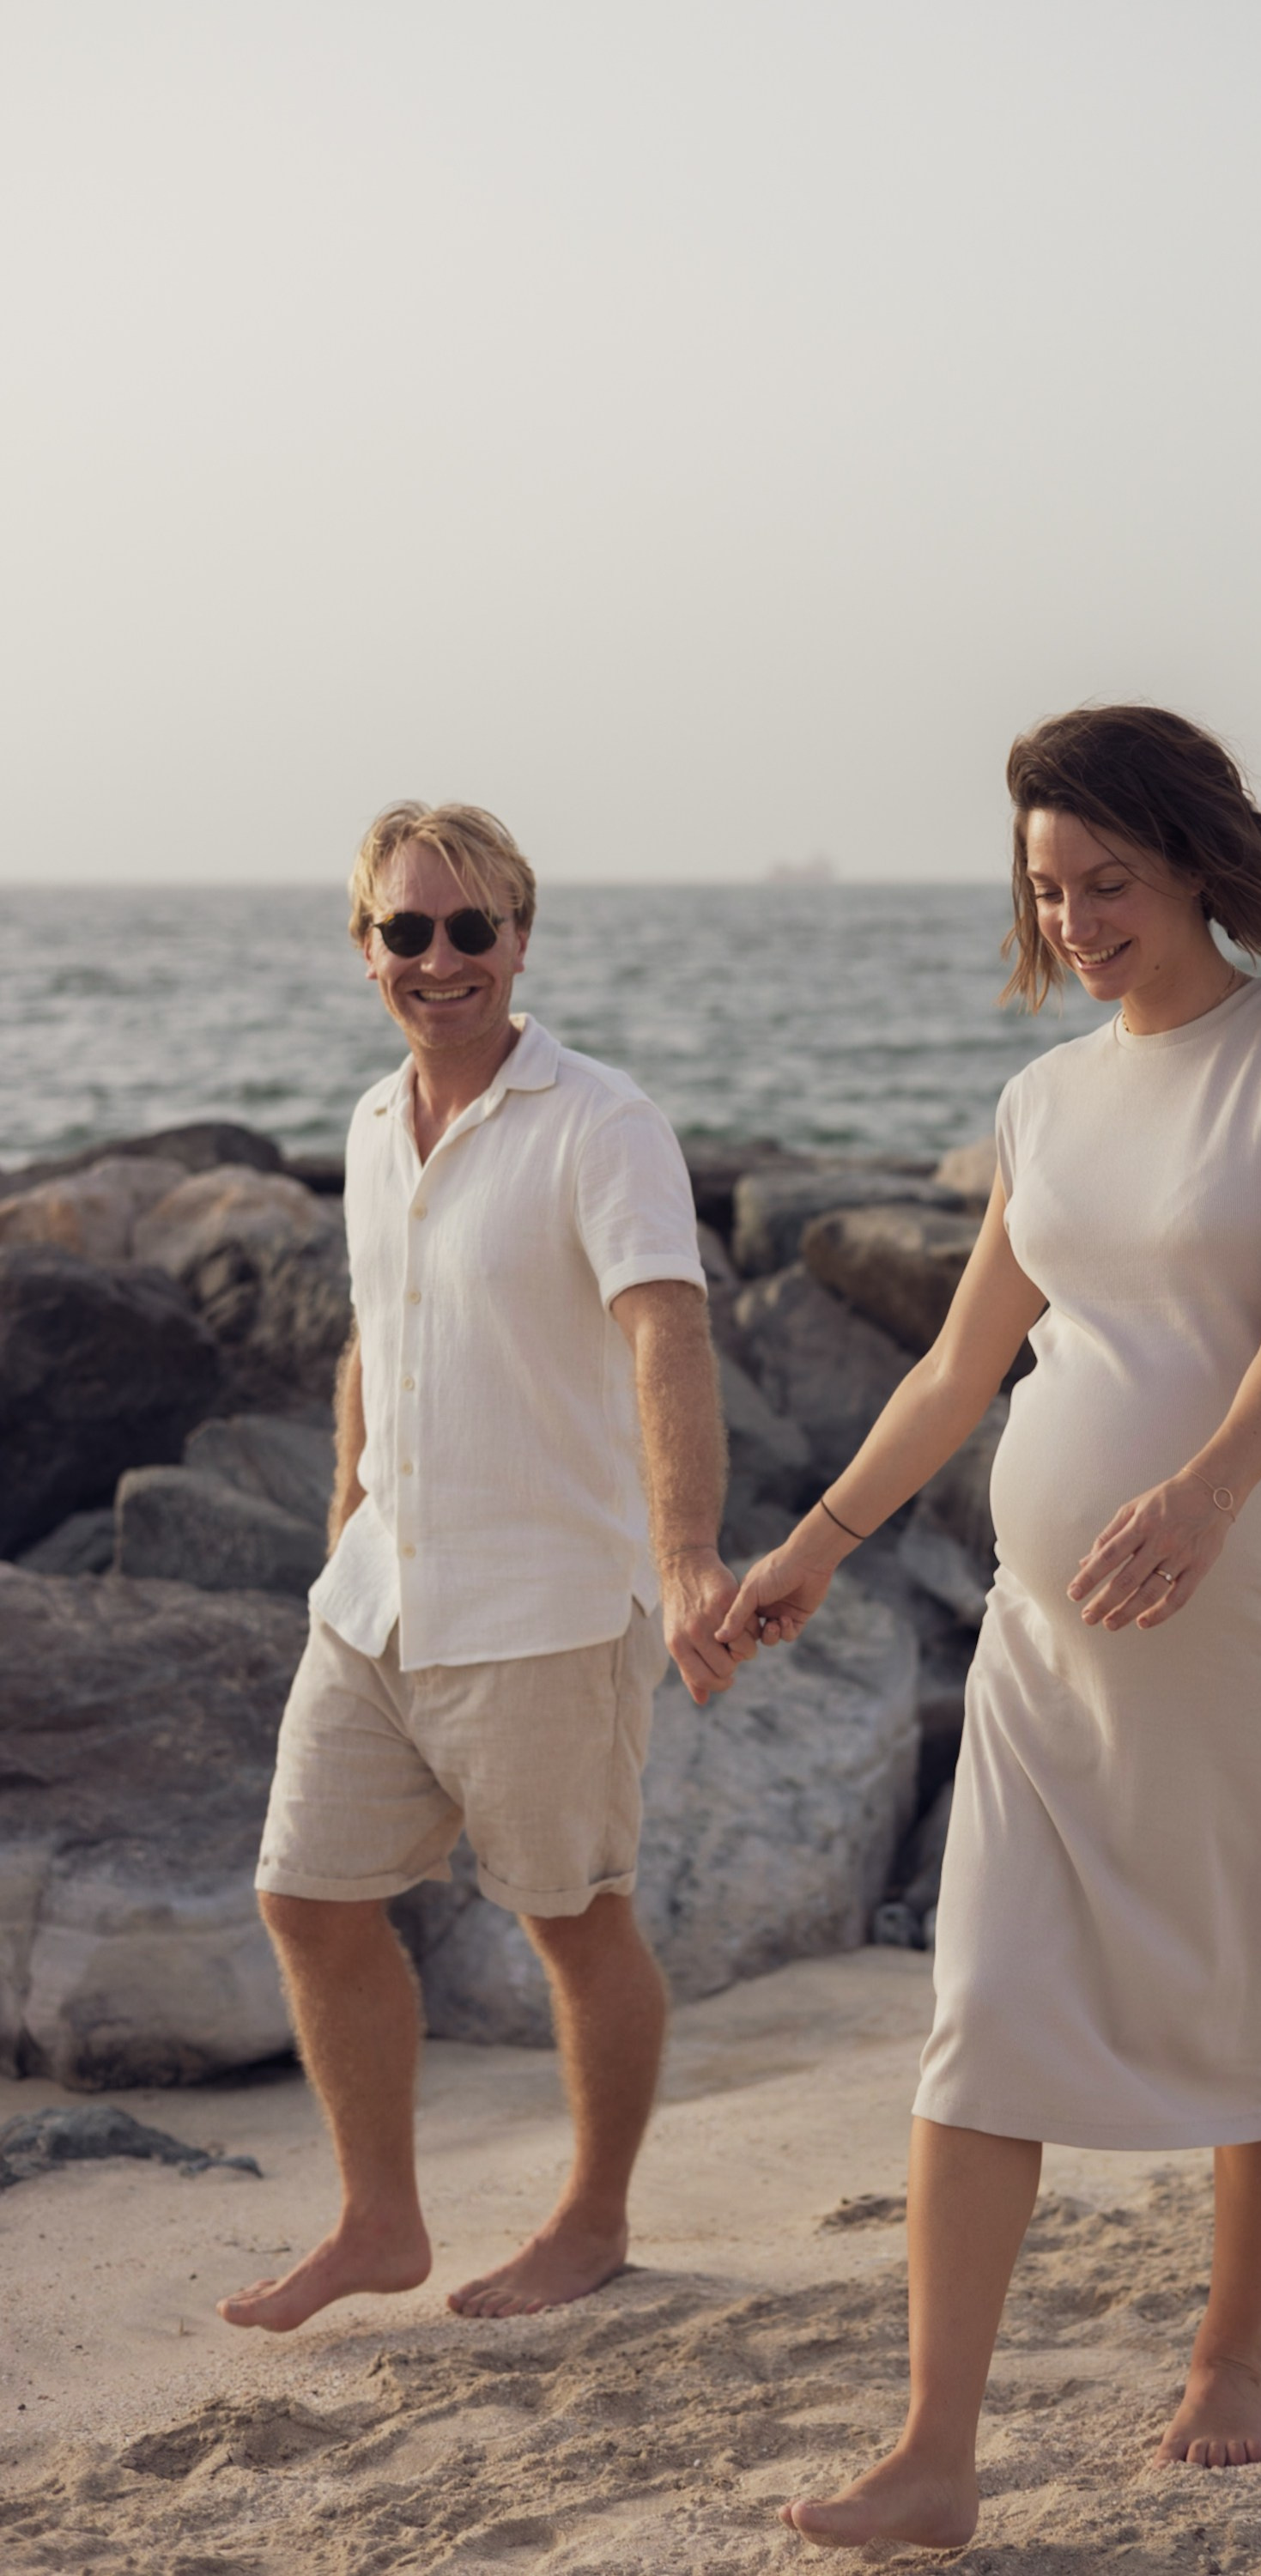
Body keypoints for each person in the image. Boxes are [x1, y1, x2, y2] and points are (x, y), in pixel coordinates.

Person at [718, 707, 1261, 2551]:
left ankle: (1231, 2348)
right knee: (984, 2010)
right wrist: (811, 1547)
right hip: (1052, 1636)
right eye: (1048, 888)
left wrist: (1200, 1494)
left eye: (1107, 879)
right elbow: (964, 1362)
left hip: (1257, 1609)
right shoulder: (1044, 1103)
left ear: (1195, 858)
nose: (1080, 918)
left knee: (1257, 1991)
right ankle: (932, 2452)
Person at [220, 800, 750, 2335]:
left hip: (546, 1605)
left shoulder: (604, 1123)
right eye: (408, 929)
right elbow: (373, 1340)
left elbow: (669, 1329)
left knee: (572, 1921)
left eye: (472, 928)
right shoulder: (375, 1127)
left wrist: (691, 1555)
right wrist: (342, 1520)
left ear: (521, 939)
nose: (440, 957)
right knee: (306, 1900)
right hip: (378, 1596)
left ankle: (591, 2222)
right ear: (365, 948)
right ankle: (380, 2224)